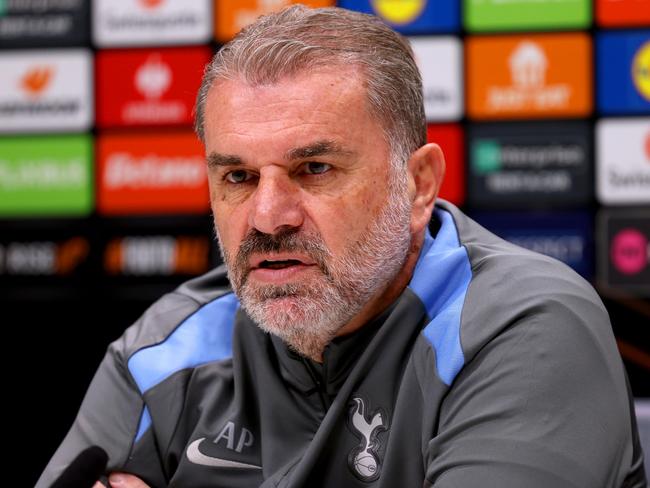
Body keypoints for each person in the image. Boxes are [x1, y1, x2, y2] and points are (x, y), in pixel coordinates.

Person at [37, 5, 645, 488]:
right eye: (238, 177)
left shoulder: (526, 325)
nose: (268, 217)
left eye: (315, 168)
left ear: (419, 185)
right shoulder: (162, 351)